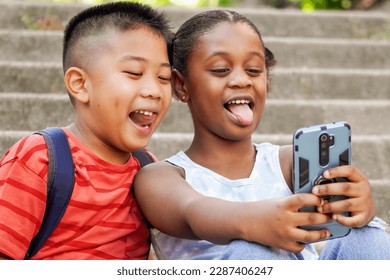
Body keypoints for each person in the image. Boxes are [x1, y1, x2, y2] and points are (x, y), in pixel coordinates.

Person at [134, 9, 390, 260]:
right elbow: (194, 211)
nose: (241, 80)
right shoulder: (160, 178)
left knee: (369, 237)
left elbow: (348, 220)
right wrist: (255, 221)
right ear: (181, 85)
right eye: (221, 69)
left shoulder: (292, 162)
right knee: (252, 251)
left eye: (254, 70)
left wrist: (360, 207)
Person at [0, 2, 172, 260]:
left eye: (164, 78)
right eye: (135, 73)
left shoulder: (148, 169)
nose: (154, 90)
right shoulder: (39, 160)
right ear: (80, 84)